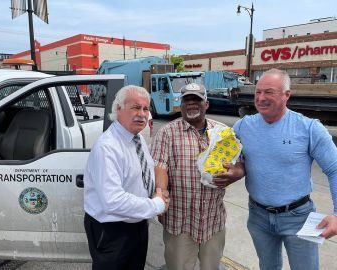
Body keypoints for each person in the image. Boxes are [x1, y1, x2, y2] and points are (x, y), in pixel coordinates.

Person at [232, 69, 337, 270]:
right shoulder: (243, 126)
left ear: (286, 95)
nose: (261, 98)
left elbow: (335, 169)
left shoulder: (309, 128)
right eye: (257, 92)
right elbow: (226, 155)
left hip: (299, 217)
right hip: (258, 216)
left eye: (269, 92)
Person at [151, 83, 244, 270]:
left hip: (213, 219)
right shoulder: (167, 133)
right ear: (181, 105)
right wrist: (161, 195)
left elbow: (239, 162)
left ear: (206, 104)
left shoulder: (222, 132)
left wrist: (237, 173)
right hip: (180, 222)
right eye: (187, 100)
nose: (192, 104)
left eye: (197, 100)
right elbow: (159, 166)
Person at [83, 85, 168, 270]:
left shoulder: (137, 138)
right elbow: (112, 201)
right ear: (118, 109)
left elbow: (144, 173)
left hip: (137, 224)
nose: (142, 114)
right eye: (135, 107)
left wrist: (159, 190)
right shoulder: (108, 146)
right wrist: (156, 205)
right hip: (112, 230)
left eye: (146, 108)